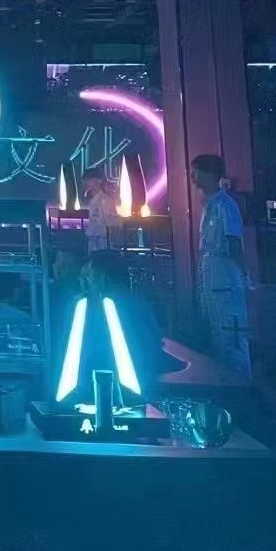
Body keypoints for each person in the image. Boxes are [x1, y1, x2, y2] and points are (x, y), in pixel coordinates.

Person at [192, 153, 251, 377]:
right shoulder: (208, 205)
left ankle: (241, 382)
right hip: (211, 278)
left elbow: (234, 243)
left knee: (231, 335)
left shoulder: (226, 206)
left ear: (210, 174)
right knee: (217, 335)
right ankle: (224, 381)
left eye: (196, 172)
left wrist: (244, 276)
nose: (193, 177)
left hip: (225, 278)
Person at [81, 249, 164, 402]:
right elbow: (154, 347)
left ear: (102, 277)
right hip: (136, 390)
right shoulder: (137, 306)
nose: (86, 282)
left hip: (114, 390)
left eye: (89, 276)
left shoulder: (98, 310)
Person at [82, 168, 120, 253]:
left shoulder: (105, 200)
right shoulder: (93, 200)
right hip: (93, 240)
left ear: (99, 181)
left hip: (103, 242)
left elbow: (113, 223)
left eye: (90, 180)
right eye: (86, 180)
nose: (87, 183)